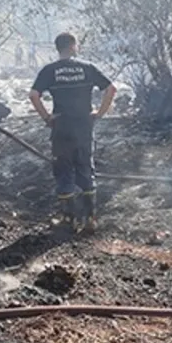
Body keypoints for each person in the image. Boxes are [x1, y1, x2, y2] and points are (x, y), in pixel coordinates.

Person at [29, 32, 116, 232]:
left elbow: (33, 95)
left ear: (58, 48)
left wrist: (47, 118)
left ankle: (68, 220)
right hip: (84, 125)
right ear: (73, 46)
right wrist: (99, 114)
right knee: (85, 168)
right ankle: (90, 220)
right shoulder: (87, 68)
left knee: (64, 170)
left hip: (61, 126)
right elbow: (111, 89)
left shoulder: (50, 70)